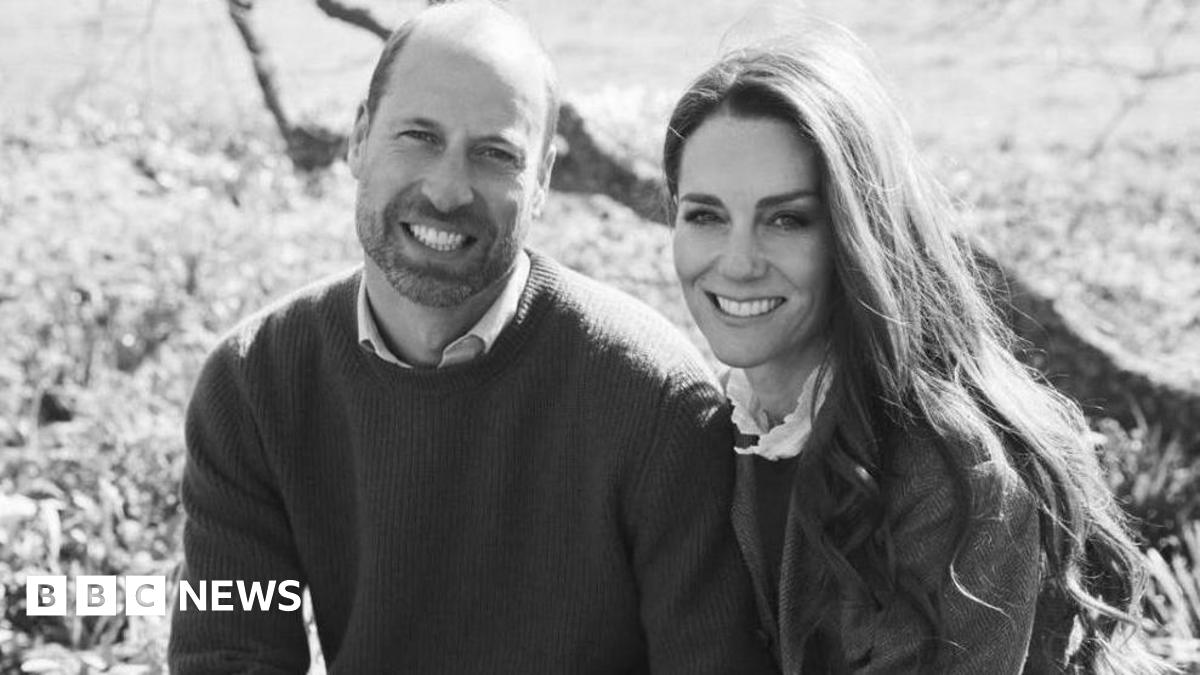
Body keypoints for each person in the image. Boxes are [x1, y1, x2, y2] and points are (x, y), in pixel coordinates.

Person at [169, 2, 777, 672]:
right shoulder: (254, 383)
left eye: (494, 154)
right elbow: (227, 654)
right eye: (419, 137)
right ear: (358, 138)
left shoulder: (656, 401)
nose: (448, 188)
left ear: (541, 180)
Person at [663, 19, 1165, 675]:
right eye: (704, 215)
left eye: (787, 218)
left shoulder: (950, 467)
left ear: (857, 231)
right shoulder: (707, 427)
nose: (737, 261)